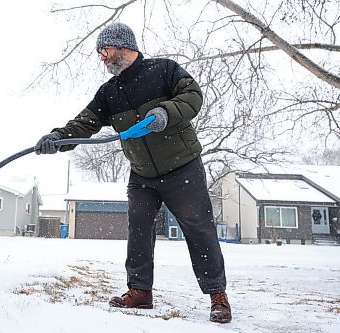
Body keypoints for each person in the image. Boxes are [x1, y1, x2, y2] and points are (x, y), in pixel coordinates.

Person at [35, 22, 232, 324]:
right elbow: (84, 123)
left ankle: (217, 295)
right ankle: (140, 291)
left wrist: (166, 112)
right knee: (138, 231)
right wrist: (58, 137)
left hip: (182, 167)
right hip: (142, 175)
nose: (101, 57)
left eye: (105, 50)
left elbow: (193, 96)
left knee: (199, 229)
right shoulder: (108, 93)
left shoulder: (164, 70)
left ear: (123, 45)